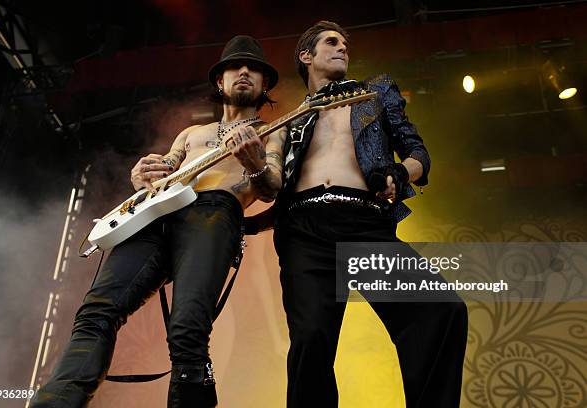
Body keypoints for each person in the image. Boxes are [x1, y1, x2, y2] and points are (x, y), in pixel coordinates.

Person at [30, 35, 286, 408]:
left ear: (264, 85)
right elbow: (164, 170)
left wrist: (256, 163)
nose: (244, 72)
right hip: (160, 215)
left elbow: (271, 185)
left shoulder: (272, 131)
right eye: (235, 66)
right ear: (220, 81)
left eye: (254, 69)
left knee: (187, 330)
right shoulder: (191, 134)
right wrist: (142, 176)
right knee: (97, 309)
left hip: (215, 212)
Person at [271, 21, 468, 408]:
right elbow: (269, 182)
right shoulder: (291, 120)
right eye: (332, 42)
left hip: (363, 226)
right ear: (305, 56)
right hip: (304, 230)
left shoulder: (373, 94)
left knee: (442, 311)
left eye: (346, 43)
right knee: (311, 340)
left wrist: (398, 171)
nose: (343, 47)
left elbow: (419, 156)